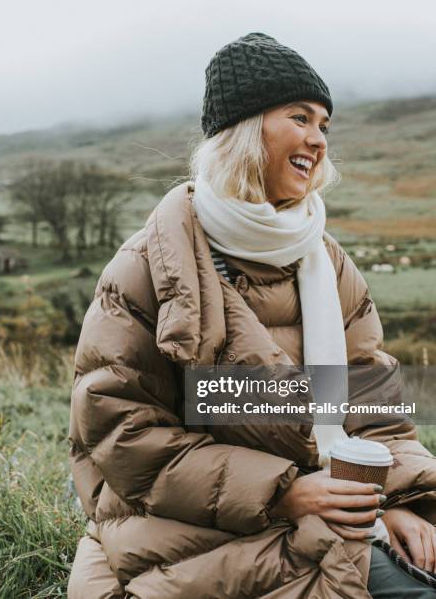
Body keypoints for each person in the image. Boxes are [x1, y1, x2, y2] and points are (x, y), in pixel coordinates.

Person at [67, 32, 436, 598]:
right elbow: (124, 435)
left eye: (325, 126)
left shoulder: (328, 264)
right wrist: (283, 491)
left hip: (323, 514)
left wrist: (403, 503)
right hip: (188, 535)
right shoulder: (148, 266)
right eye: (300, 118)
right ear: (242, 130)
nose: (317, 140)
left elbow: (373, 410)